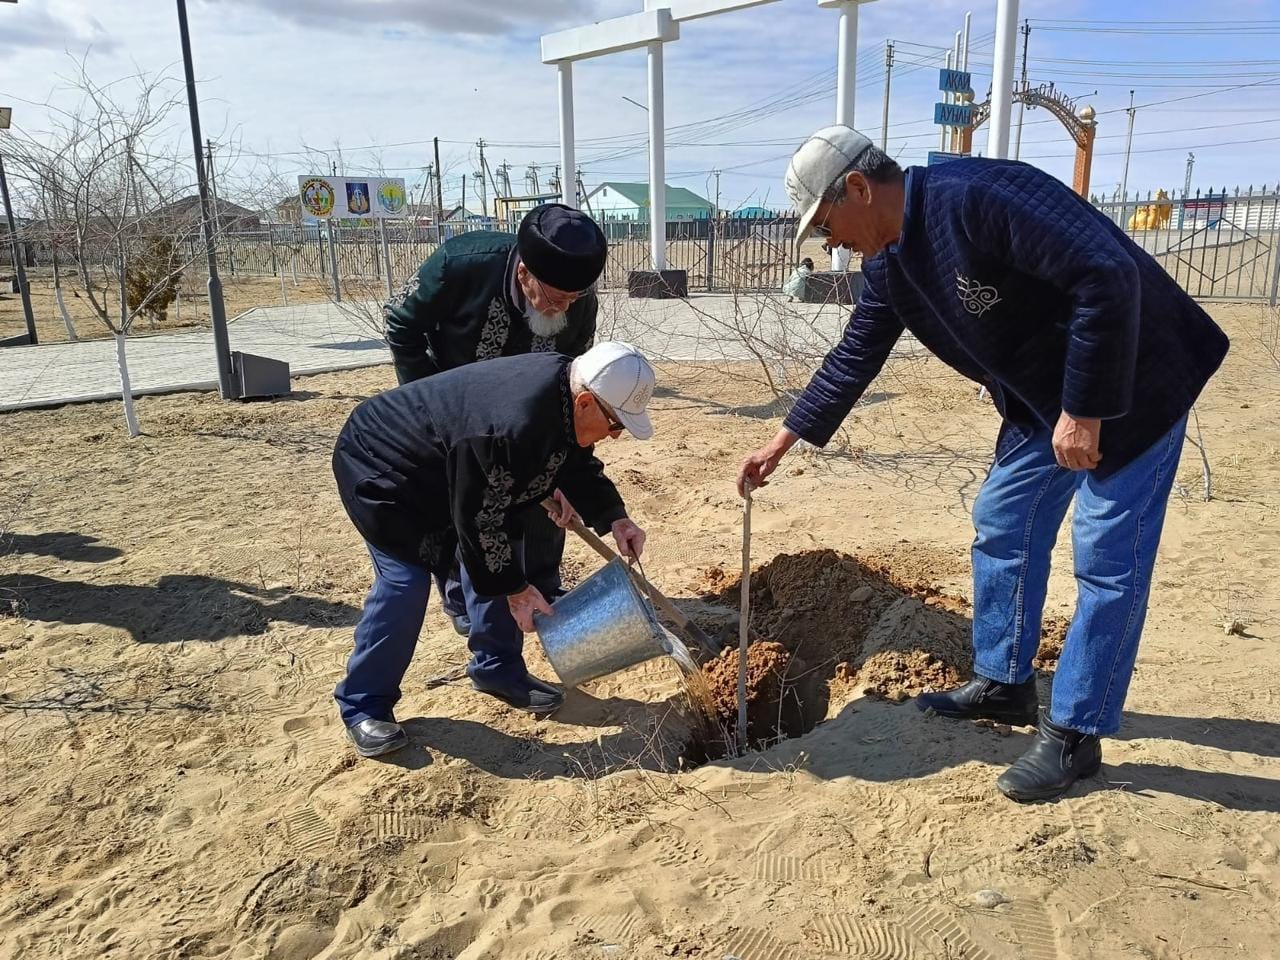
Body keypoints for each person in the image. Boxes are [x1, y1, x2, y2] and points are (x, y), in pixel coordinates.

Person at [738, 125, 1229, 802]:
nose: (829, 244)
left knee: (1107, 559)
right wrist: (782, 440)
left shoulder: (976, 199)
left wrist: (1086, 411)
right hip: (1043, 400)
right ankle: (1004, 683)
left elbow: (1106, 275)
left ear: (858, 187)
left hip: (1135, 379)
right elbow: (856, 354)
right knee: (1003, 518)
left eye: (826, 224)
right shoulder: (889, 263)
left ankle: (1077, 735)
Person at [332, 342, 657, 757]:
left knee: (502, 550)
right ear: (587, 403)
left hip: (453, 465)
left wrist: (615, 517)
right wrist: (516, 590)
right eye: (615, 425)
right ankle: (364, 704)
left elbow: (574, 462)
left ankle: (497, 670)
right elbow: (479, 519)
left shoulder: (565, 389)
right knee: (405, 583)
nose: (614, 436)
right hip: (385, 465)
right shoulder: (506, 427)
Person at [384, 203, 608, 638]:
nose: (565, 308)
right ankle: (466, 600)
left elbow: (576, 382)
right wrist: (429, 403)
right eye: (556, 298)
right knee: (465, 503)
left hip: (532, 417)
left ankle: (542, 588)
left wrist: (569, 466)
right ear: (524, 274)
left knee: (545, 488)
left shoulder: (578, 303)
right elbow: (401, 325)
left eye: (574, 298)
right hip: (458, 416)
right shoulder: (460, 265)